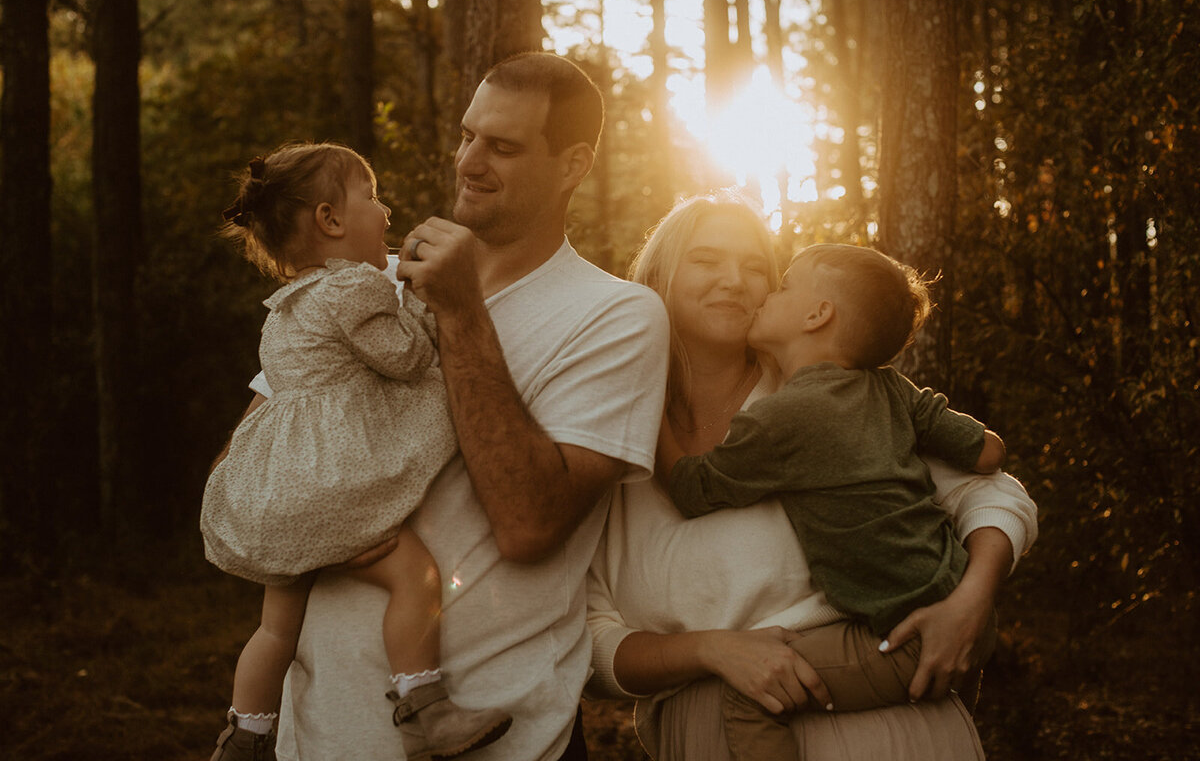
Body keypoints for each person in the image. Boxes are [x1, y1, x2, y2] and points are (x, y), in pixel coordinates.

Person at [219, 53, 669, 761]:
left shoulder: (616, 317)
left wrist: (461, 315)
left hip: (500, 741)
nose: (470, 162)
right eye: (468, 136)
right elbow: (255, 465)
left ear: (573, 164)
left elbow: (528, 525)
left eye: (504, 146)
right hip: (319, 736)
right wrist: (327, 520)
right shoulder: (361, 286)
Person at [586, 190, 1038, 760]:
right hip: (711, 736)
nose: (734, 279)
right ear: (658, 277)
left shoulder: (826, 393)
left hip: (892, 733)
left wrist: (971, 600)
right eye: (706, 260)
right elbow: (588, 640)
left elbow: (992, 491)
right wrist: (710, 650)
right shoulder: (602, 433)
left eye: (757, 268)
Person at [201, 142, 512, 761]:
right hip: (331, 484)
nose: (387, 211)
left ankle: (245, 735)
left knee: (275, 628)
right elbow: (406, 359)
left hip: (284, 486)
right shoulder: (355, 290)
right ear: (330, 221)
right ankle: (426, 711)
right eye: (371, 197)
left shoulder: (289, 304)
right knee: (417, 577)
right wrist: (427, 303)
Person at [660, 242, 1008, 759]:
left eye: (782, 287)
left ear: (817, 315)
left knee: (752, 694)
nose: (766, 296)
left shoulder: (781, 419)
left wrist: (648, 413)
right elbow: (986, 453)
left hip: (904, 635)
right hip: (966, 607)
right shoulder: (891, 389)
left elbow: (693, 490)